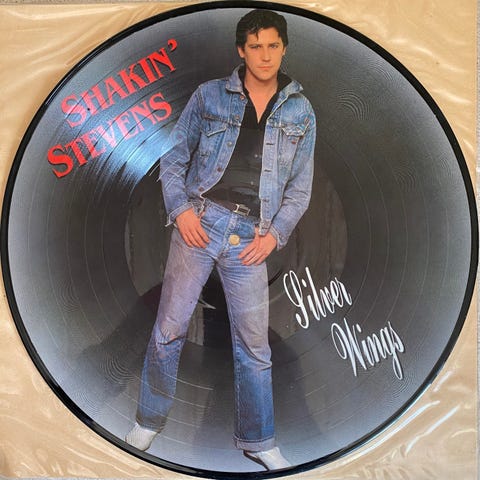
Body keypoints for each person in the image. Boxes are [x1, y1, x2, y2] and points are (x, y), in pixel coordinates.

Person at [126, 8, 316, 471]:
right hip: (200, 223)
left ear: (284, 48)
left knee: (254, 346)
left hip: (251, 238)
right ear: (241, 51)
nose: (265, 55)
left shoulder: (301, 112)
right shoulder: (209, 95)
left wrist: (274, 237)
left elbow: (300, 189)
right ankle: (149, 421)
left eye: (273, 46)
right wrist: (181, 210)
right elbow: (174, 157)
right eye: (256, 46)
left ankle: (259, 440)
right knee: (169, 328)